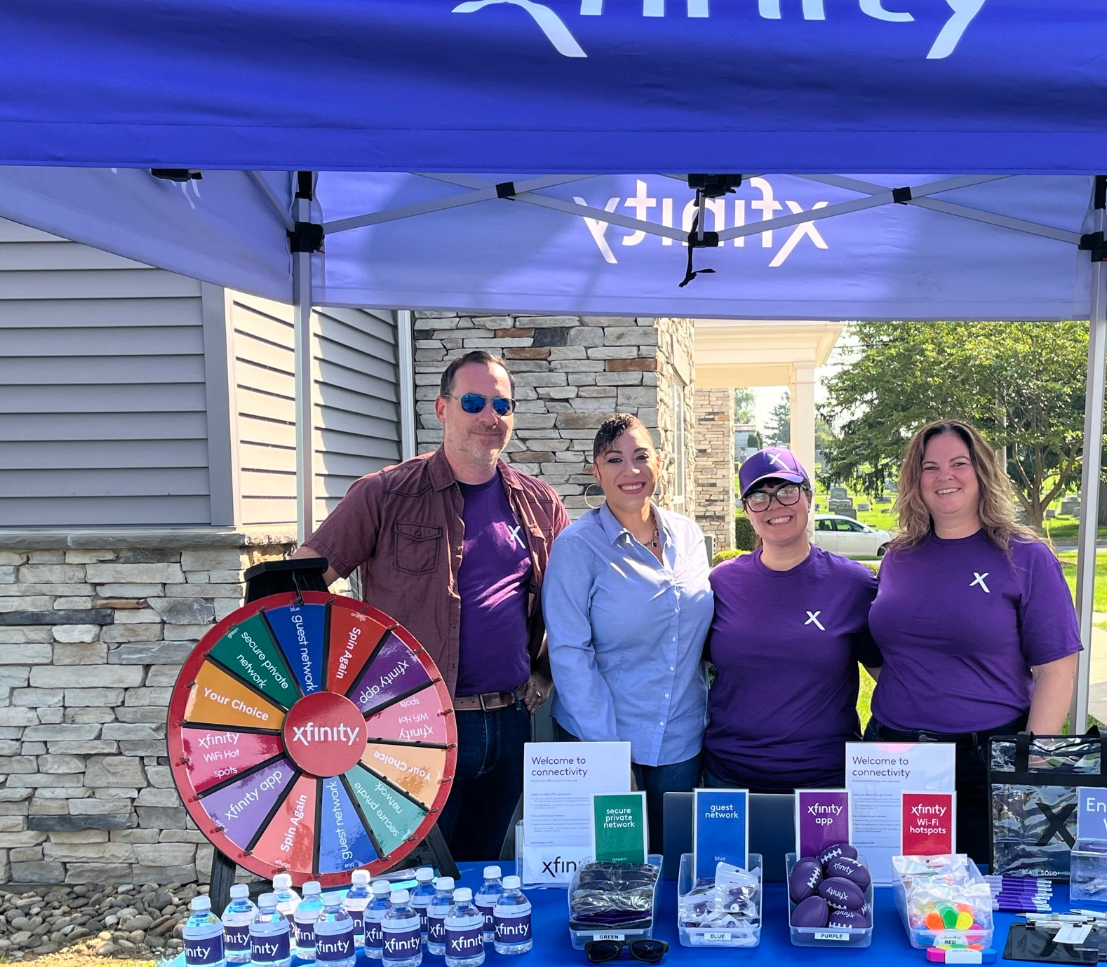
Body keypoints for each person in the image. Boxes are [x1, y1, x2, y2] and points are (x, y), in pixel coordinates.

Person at [295, 349, 568, 862]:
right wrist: (343, 686)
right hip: (411, 729)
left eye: (502, 405)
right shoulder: (384, 494)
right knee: (411, 875)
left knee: (483, 870)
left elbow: (572, 603)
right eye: (473, 402)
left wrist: (544, 672)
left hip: (508, 725)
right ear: (442, 409)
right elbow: (298, 588)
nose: (490, 417)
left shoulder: (539, 503)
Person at [866, 420, 1081, 864]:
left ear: (981, 472)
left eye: (958, 463)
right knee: (891, 897)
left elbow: (1057, 667)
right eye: (930, 467)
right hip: (893, 759)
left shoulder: (1025, 556)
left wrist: (1032, 760)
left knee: (981, 907)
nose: (945, 476)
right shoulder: (898, 557)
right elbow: (889, 651)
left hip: (984, 765)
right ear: (915, 481)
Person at [544, 414, 714, 850]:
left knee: (676, 869)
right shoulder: (577, 547)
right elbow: (569, 653)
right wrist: (609, 754)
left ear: (660, 461)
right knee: (613, 877)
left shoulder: (690, 536)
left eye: (641, 456)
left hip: (681, 737)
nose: (631, 470)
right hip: (603, 735)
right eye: (615, 459)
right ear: (596, 471)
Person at [703, 447, 880, 791]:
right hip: (728, 779)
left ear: (808, 497)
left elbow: (891, 678)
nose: (775, 506)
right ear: (747, 510)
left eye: (786, 491)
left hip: (824, 782)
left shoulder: (852, 584)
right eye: (759, 496)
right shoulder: (721, 583)